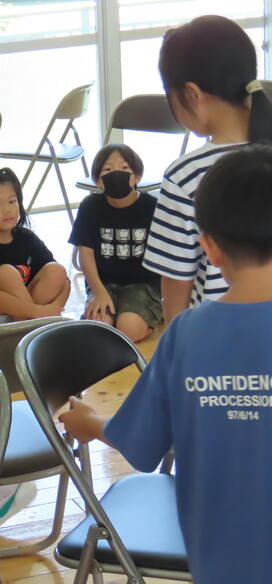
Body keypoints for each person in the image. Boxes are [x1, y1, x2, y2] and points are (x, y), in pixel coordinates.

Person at [59, 146, 272, 584]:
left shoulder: (188, 334)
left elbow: (142, 441)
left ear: (209, 248)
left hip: (220, 558)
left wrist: (90, 422)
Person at [142, 14, 272, 324]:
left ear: (193, 94)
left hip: (220, 340)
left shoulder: (186, 176)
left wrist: (176, 345)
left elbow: (176, 287)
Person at [69, 144, 161, 342]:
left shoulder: (152, 207)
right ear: (97, 181)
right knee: (99, 327)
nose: (116, 173)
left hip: (144, 285)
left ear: (137, 177)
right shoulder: (90, 206)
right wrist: (98, 292)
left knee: (128, 329)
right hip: (103, 283)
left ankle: (149, 320)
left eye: (125, 168)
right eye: (108, 169)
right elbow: (85, 254)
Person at [0, 167, 70, 327]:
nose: (7, 210)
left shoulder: (27, 238)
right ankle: (33, 328)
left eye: (12, 201)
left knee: (56, 270)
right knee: (6, 274)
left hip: (25, 313)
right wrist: (38, 312)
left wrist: (54, 308)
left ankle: (26, 328)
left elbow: (64, 282)